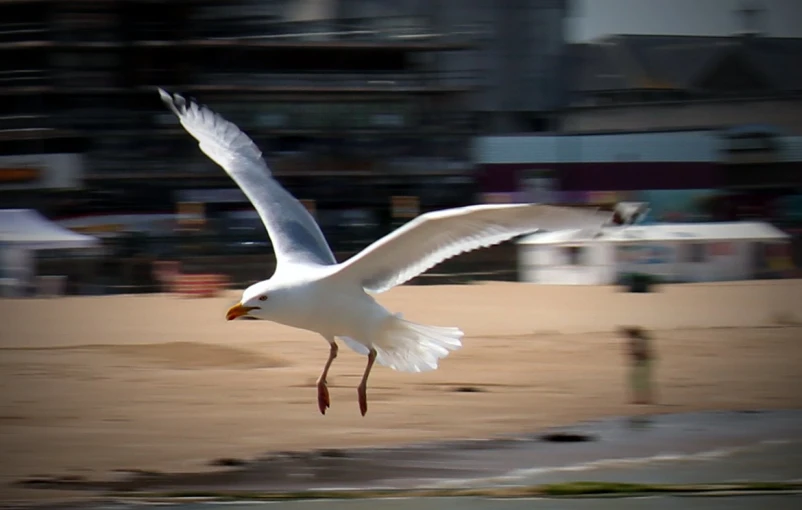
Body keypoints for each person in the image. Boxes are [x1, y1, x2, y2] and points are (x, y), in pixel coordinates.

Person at [619, 326, 656, 405]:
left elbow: (640, 351)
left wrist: (633, 356)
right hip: (644, 361)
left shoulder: (637, 341)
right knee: (642, 380)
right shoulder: (640, 340)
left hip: (642, 361)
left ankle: (641, 399)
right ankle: (644, 399)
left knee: (637, 380)